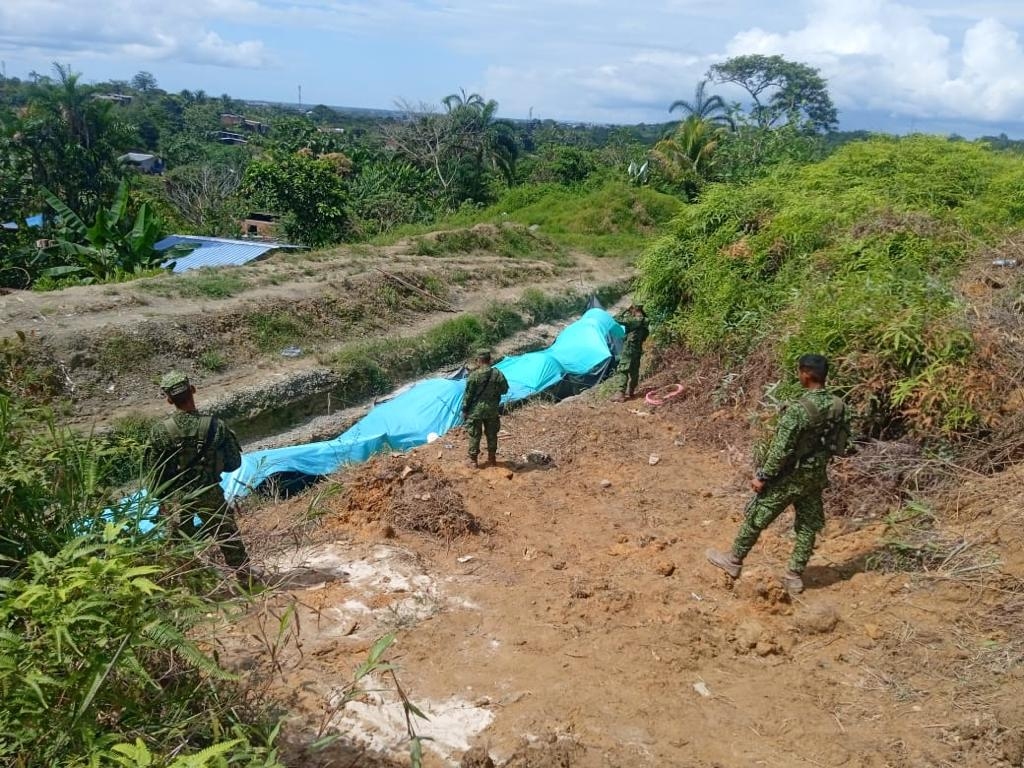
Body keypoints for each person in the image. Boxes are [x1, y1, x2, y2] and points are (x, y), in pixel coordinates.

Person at [706, 354, 850, 595]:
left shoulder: (799, 410)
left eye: (799, 371)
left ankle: (733, 560)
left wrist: (763, 476)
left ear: (805, 373)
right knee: (807, 525)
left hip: (789, 476)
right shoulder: (839, 406)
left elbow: (780, 449)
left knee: (756, 516)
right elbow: (843, 443)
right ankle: (794, 575)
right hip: (814, 476)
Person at [148, 371, 250, 570]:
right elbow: (234, 463)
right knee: (226, 534)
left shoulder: (159, 432)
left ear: (169, 400)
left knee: (179, 546)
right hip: (208, 491)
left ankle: (189, 587)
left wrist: (162, 500)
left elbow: (155, 474)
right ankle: (245, 576)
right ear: (193, 390)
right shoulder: (216, 426)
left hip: (176, 498)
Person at [461, 349, 509, 468]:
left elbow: (468, 395)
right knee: (492, 434)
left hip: (475, 411)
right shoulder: (498, 374)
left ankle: (473, 461)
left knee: (475, 435)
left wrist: (464, 410)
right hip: (492, 410)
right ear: (489, 359)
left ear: (478, 360)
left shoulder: (474, 376)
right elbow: (505, 390)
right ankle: (492, 459)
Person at [611, 304, 649, 402]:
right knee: (634, 371)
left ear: (633, 309)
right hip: (638, 349)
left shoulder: (633, 321)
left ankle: (620, 394)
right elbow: (645, 336)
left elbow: (615, 319)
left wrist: (624, 310)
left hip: (629, 349)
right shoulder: (645, 320)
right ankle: (631, 391)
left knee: (623, 370)